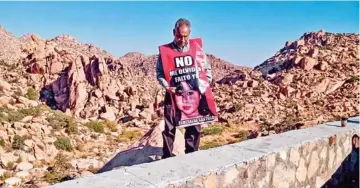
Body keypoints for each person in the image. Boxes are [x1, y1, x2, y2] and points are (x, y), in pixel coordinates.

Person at [155, 18, 213, 159]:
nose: (182, 39)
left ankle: (191, 157)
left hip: (193, 96)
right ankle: (167, 157)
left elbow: (207, 72)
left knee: (194, 127)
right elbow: (160, 73)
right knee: (169, 127)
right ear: (173, 32)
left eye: (185, 36)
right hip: (173, 95)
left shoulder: (197, 50)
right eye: (179, 36)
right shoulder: (166, 52)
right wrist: (167, 87)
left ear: (190, 33)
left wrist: (201, 87)